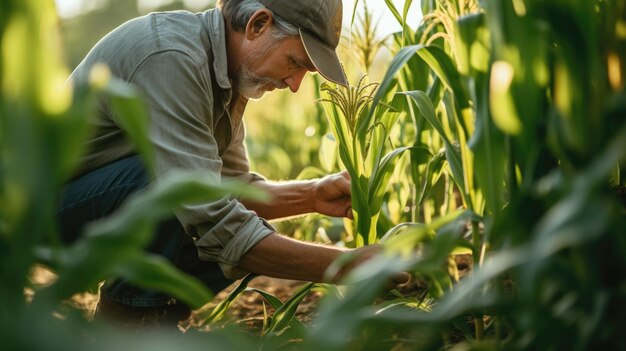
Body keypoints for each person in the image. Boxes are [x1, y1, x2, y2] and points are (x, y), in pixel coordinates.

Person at [57, 0, 408, 327]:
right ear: (258, 25)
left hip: (90, 209)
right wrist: (347, 265)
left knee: (194, 194)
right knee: (172, 188)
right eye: (296, 63)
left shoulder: (227, 76)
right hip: (36, 215)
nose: (296, 84)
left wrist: (311, 195)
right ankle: (127, 323)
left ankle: (151, 319)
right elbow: (215, 220)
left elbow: (230, 188)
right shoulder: (172, 58)